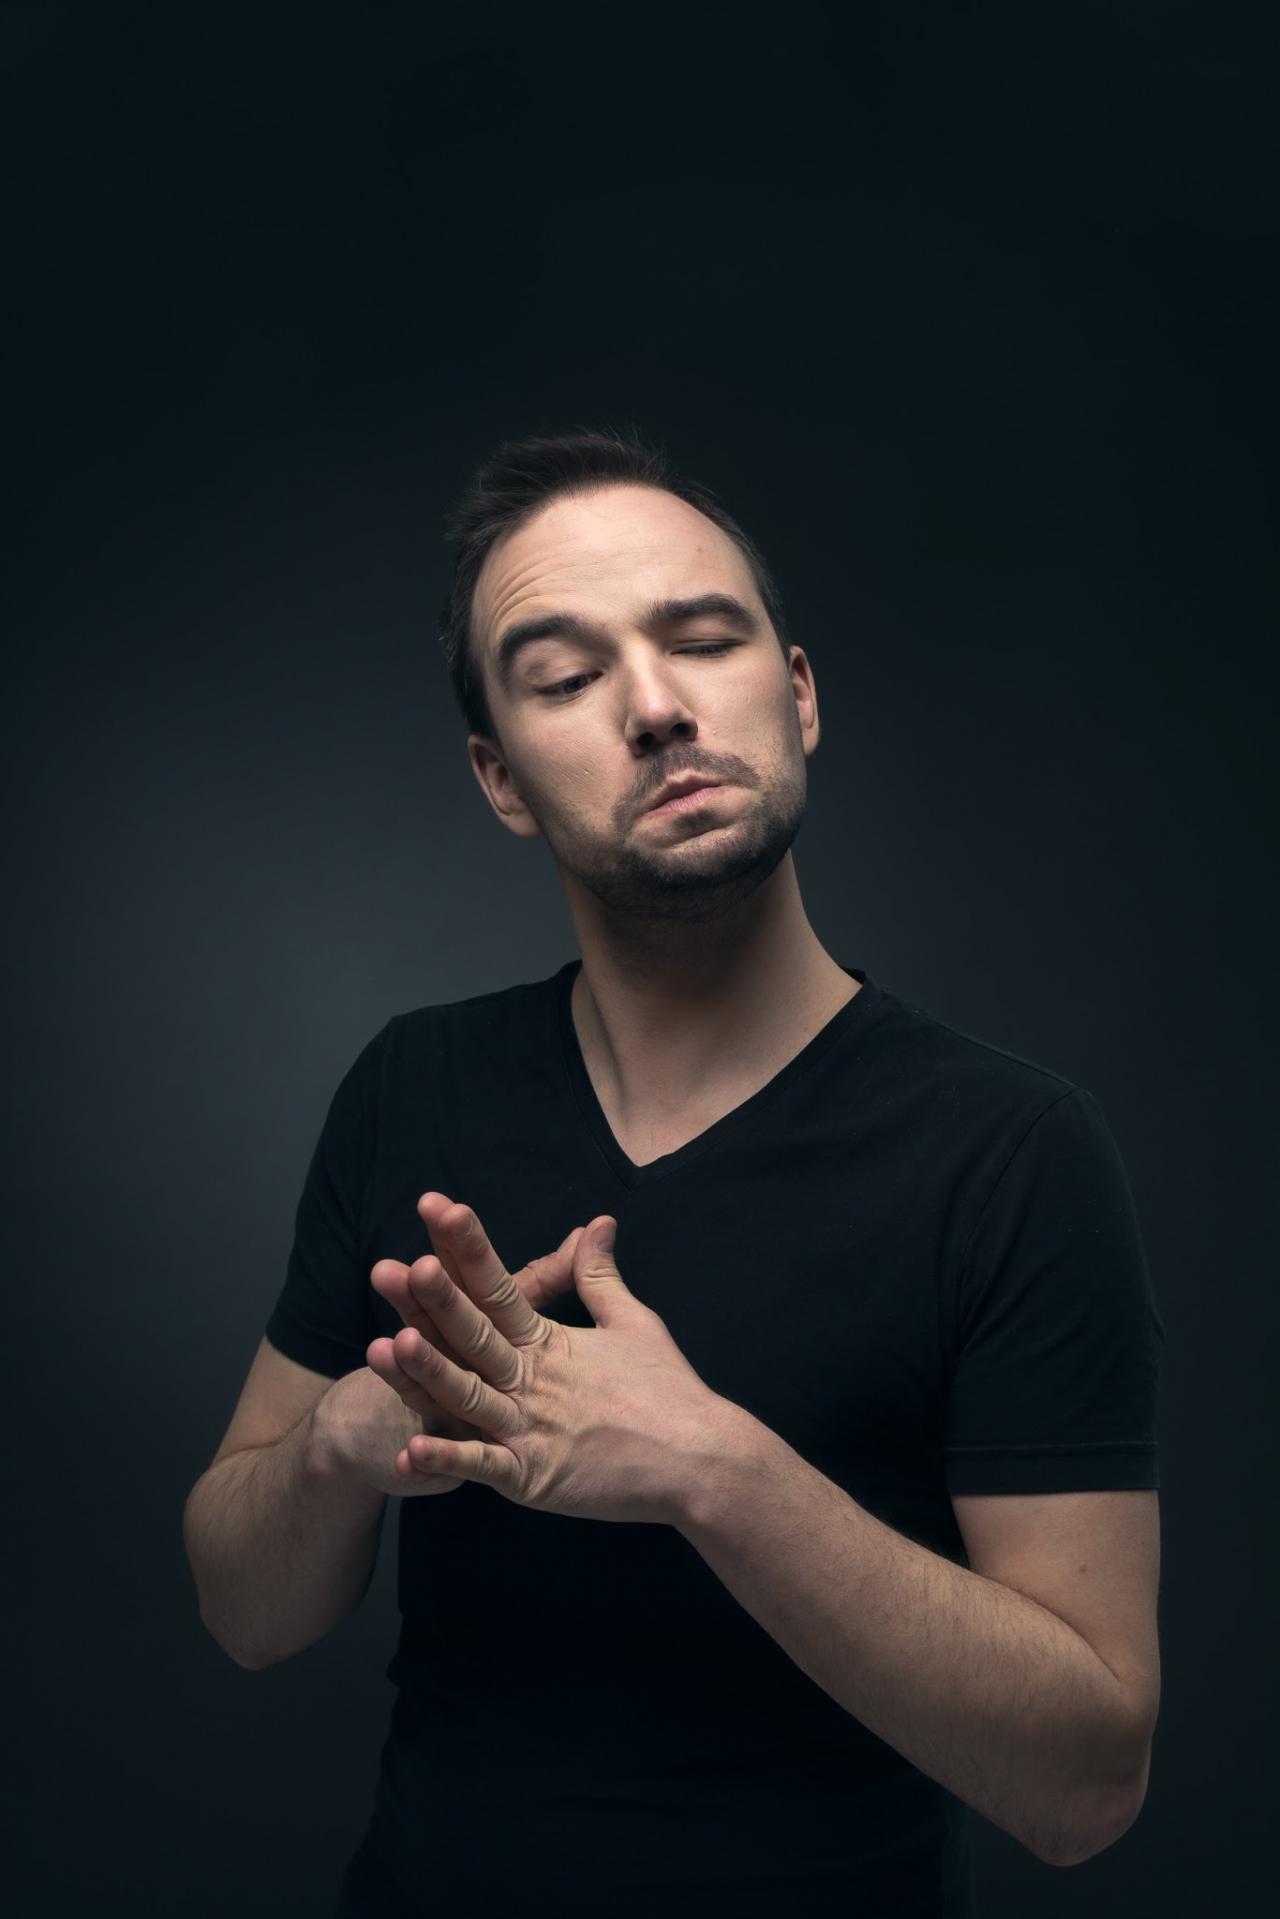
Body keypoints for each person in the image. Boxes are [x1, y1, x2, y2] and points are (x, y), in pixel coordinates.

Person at [183, 427, 1165, 1918]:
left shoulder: (1014, 1153)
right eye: (566, 677)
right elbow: (243, 1613)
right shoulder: (414, 1086)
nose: (655, 707)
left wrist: (711, 1471)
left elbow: (1088, 1789)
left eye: (704, 640)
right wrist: (340, 1442)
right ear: (502, 779)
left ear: (799, 693)